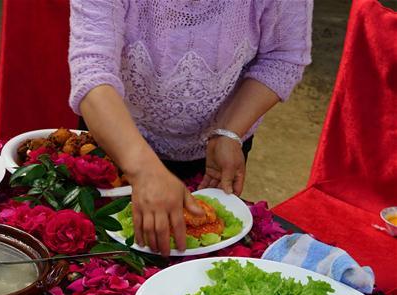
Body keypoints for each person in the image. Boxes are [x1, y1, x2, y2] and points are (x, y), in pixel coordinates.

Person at [69, 0, 312, 255]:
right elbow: (92, 72)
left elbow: (283, 56)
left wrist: (229, 131)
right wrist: (144, 170)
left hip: (215, 153)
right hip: (115, 142)